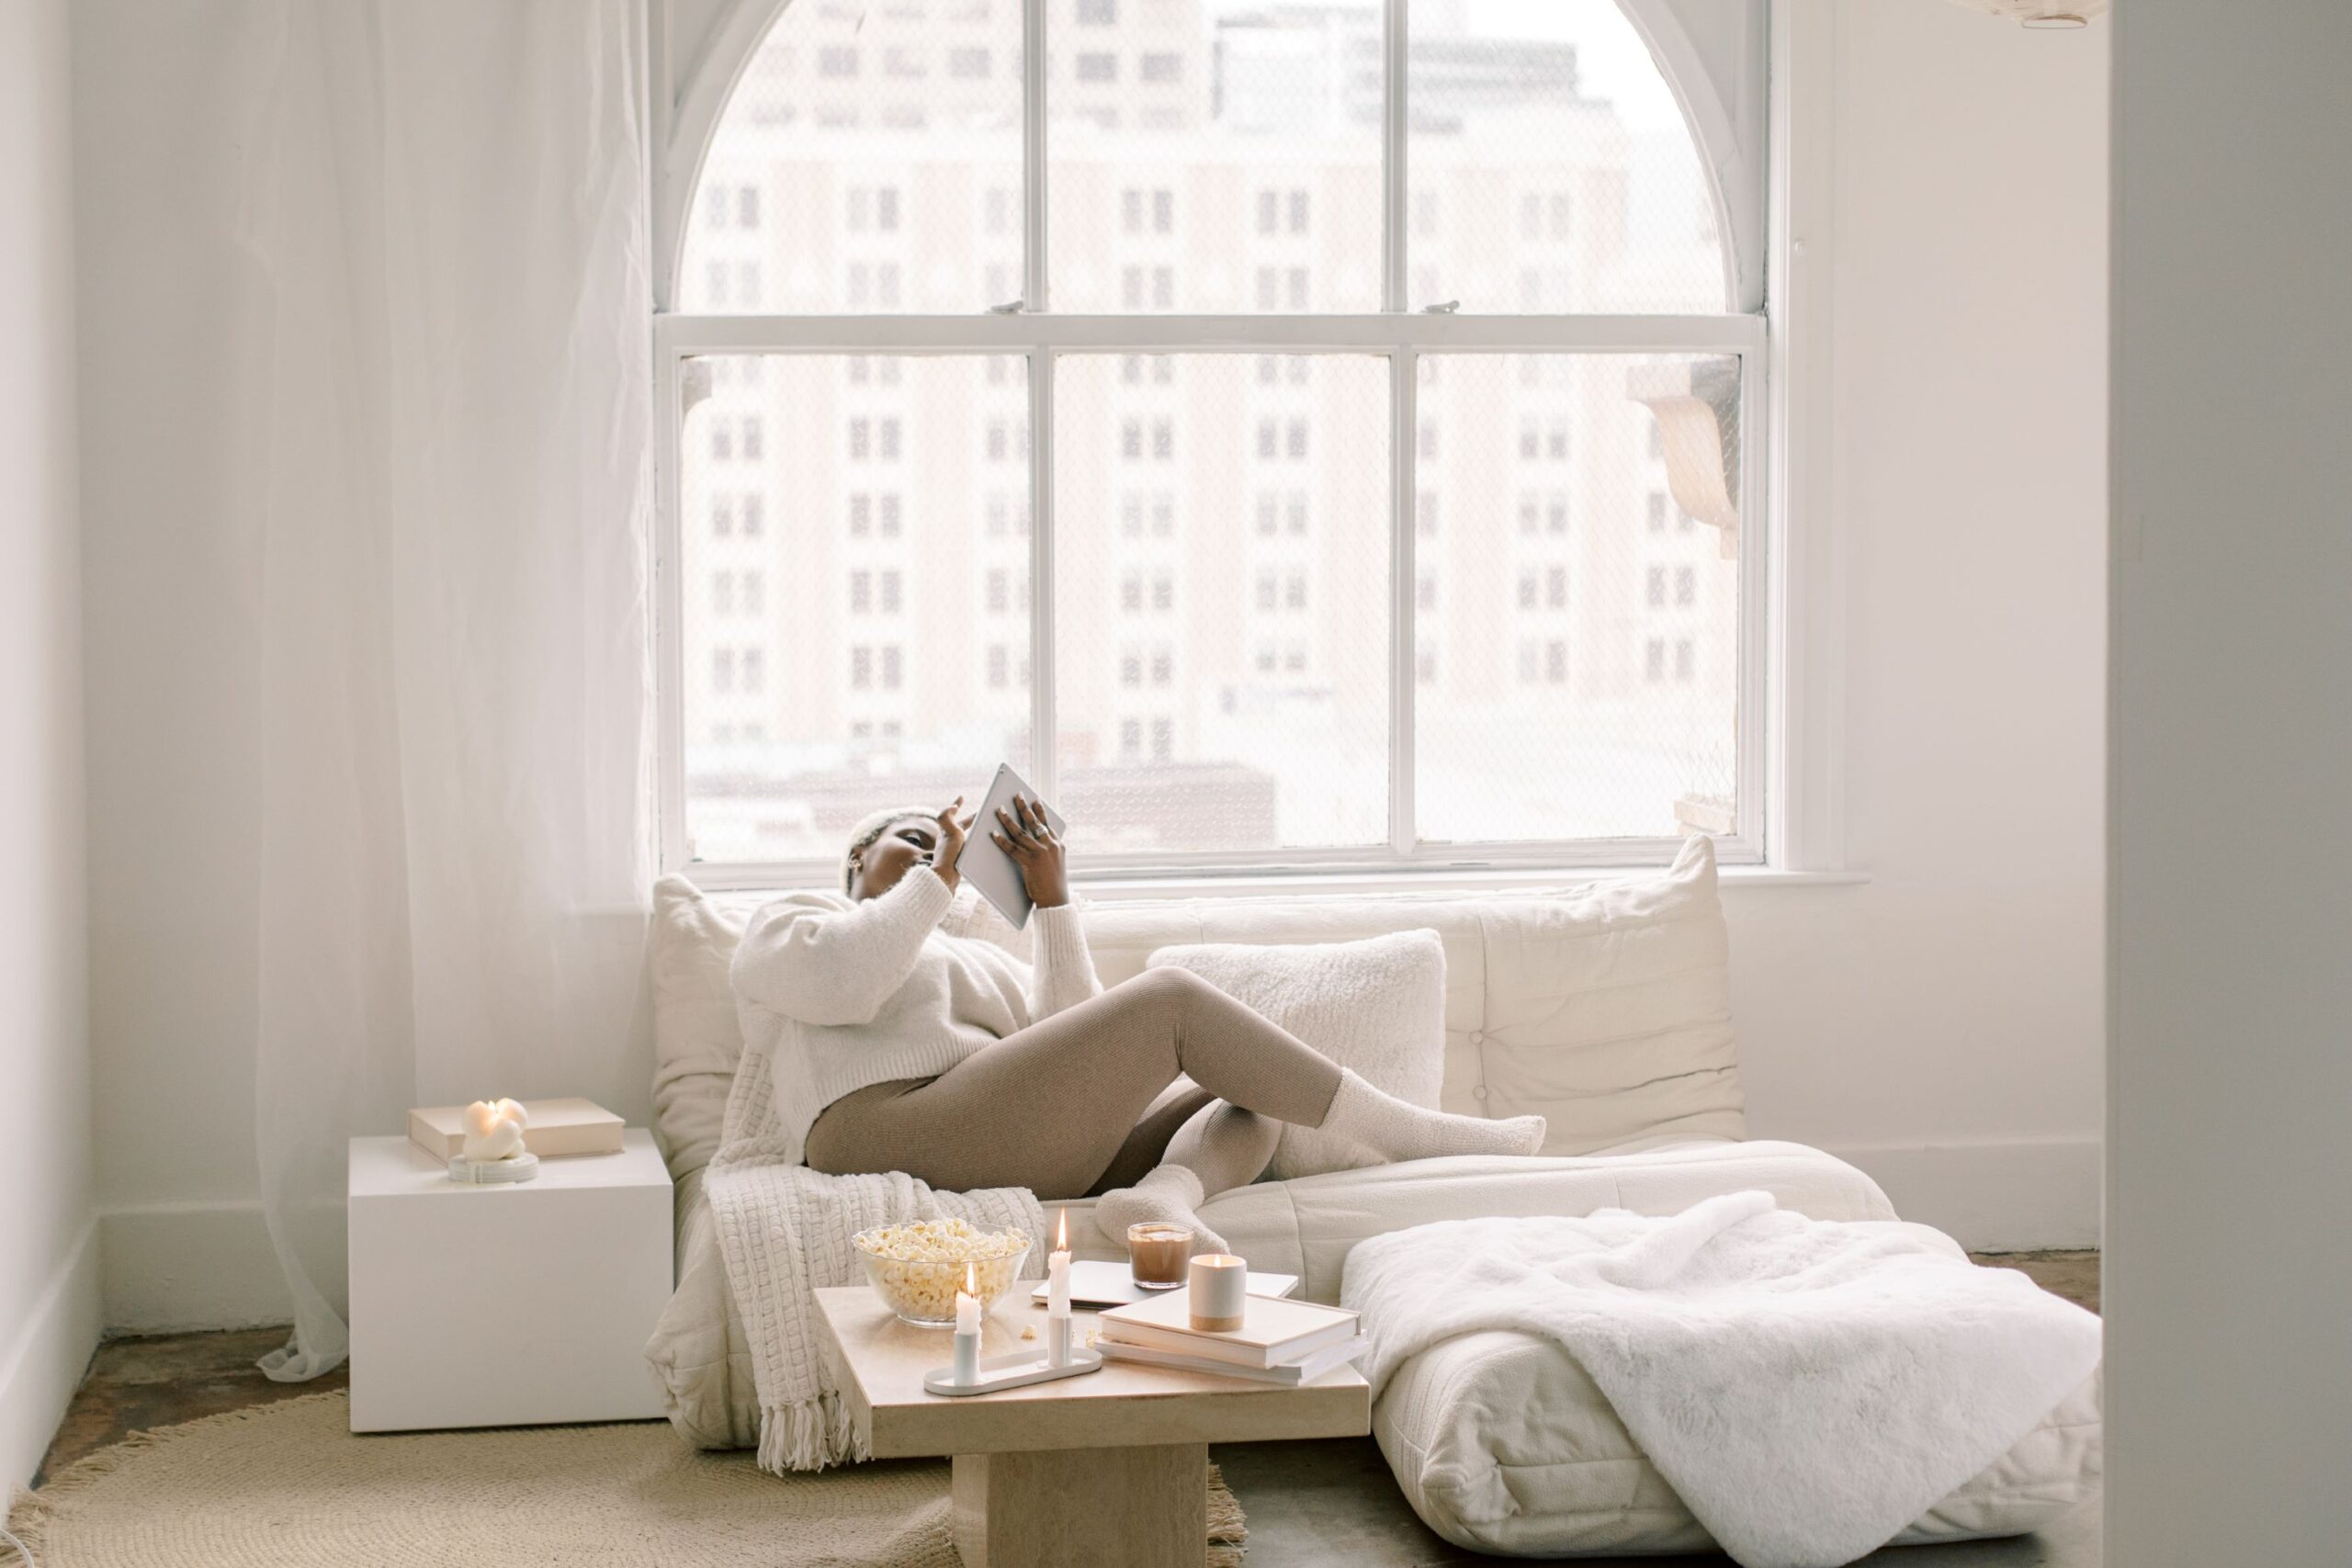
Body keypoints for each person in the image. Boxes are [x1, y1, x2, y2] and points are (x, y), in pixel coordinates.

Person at [731, 794, 1545, 1251]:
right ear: (852, 864)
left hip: (992, 1132)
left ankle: (1161, 1198)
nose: (930, 852)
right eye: (908, 840)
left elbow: (1077, 1043)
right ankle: (1409, 1132)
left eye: (938, 846)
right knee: (1170, 999)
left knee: (1247, 1093)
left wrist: (1051, 900)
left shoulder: (970, 954)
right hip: (880, 1123)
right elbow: (844, 980)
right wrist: (939, 874)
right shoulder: (795, 921)